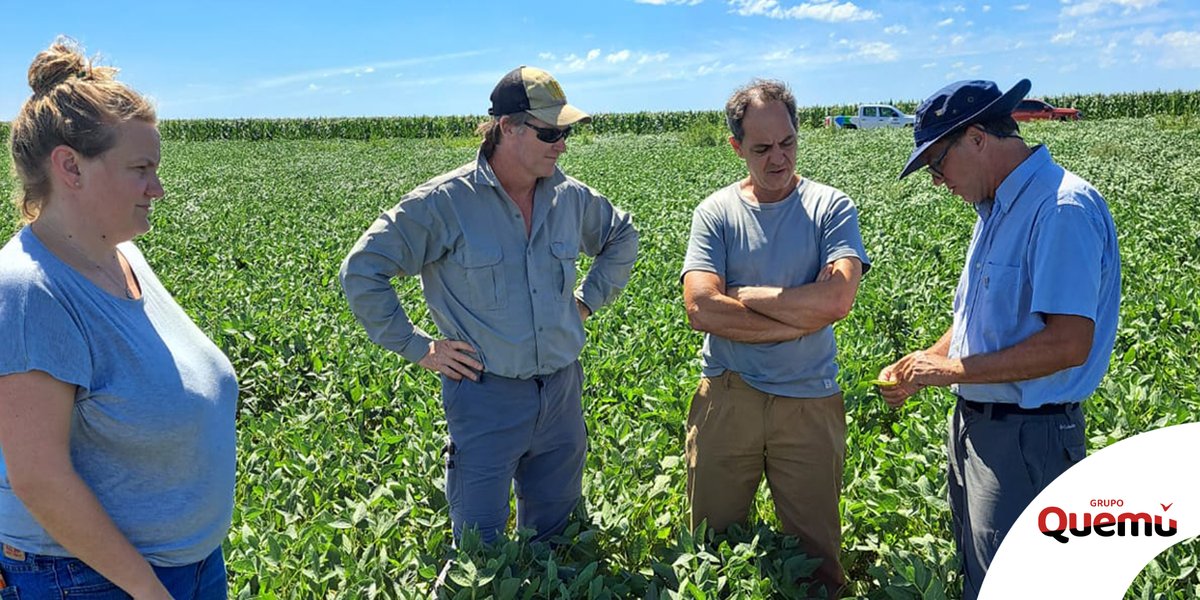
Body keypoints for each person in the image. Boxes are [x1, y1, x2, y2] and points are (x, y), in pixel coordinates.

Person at [340, 66, 638, 544]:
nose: (562, 144)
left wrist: (585, 302)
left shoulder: (570, 197)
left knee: (555, 542)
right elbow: (362, 270)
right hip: (485, 396)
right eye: (550, 132)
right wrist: (419, 347)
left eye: (565, 132)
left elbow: (622, 235)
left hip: (562, 392)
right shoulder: (444, 203)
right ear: (508, 127)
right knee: (480, 548)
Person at [0, 39, 237, 598]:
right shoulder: (28, 289)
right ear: (70, 167)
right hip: (96, 579)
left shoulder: (120, 253)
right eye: (140, 169)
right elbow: (40, 479)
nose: (157, 187)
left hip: (186, 563)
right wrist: (150, 591)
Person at [878, 79, 1120, 599]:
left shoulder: (1060, 209)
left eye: (938, 164)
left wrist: (951, 372)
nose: (938, 180)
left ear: (976, 139)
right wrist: (928, 360)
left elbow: (1068, 344)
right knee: (983, 578)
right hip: (980, 430)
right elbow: (979, 320)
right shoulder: (996, 209)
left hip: (1030, 439)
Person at [681, 79, 869, 597]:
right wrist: (797, 319)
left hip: (809, 398)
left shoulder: (831, 207)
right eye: (762, 148)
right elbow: (700, 307)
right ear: (736, 147)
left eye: (787, 143)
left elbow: (836, 300)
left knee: (817, 562)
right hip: (728, 394)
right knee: (710, 549)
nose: (778, 158)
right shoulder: (716, 213)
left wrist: (752, 295)